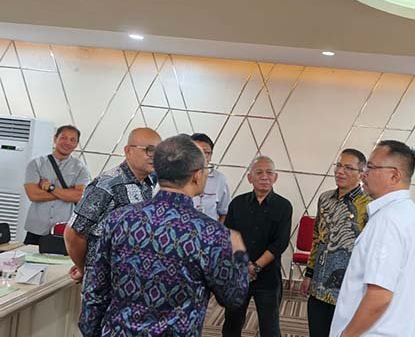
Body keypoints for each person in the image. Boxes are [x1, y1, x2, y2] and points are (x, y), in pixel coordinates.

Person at [79, 134, 250, 336]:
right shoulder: (211, 234)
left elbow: (96, 290)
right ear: (197, 175)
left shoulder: (118, 219)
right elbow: (233, 297)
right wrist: (239, 254)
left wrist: (91, 331)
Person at [330, 140, 415, 337]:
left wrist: (346, 335)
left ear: (394, 175)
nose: (364, 174)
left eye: (371, 167)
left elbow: (379, 297)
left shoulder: (388, 220)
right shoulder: (411, 213)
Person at [64, 127, 161, 283]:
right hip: (104, 281)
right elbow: (73, 233)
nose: (154, 157)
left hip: (131, 280)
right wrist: (84, 268)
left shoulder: (147, 183)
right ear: (128, 151)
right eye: (149, 150)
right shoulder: (108, 185)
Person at [300, 148, 371, 337]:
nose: (340, 171)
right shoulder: (325, 198)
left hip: (348, 293)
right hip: (319, 287)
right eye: (338, 165)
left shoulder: (369, 205)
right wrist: (309, 274)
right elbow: (317, 238)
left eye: (348, 167)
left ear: (361, 174)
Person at [222, 155, 292, 337]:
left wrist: (256, 266)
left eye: (269, 172)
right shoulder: (237, 203)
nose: (264, 176)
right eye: (259, 172)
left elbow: (280, 243)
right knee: (231, 324)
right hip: (239, 274)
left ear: (275, 177)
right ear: (249, 177)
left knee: (270, 328)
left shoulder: (284, 206)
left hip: (268, 277)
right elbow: (229, 236)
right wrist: (244, 265)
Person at [23, 125, 91, 245]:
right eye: (63, 138)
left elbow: (79, 196)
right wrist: (67, 193)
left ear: (76, 144)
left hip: (63, 230)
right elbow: (33, 195)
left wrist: (50, 188)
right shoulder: (36, 164)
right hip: (36, 227)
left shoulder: (81, 168)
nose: (67, 142)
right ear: (55, 139)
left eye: (72, 140)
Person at [190, 133, 231, 222]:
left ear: (211, 156)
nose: (201, 156)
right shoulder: (178, 176)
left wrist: (218, 229)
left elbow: (223, 212)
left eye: (206, 153)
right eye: (197, 152)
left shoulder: (219, 179)